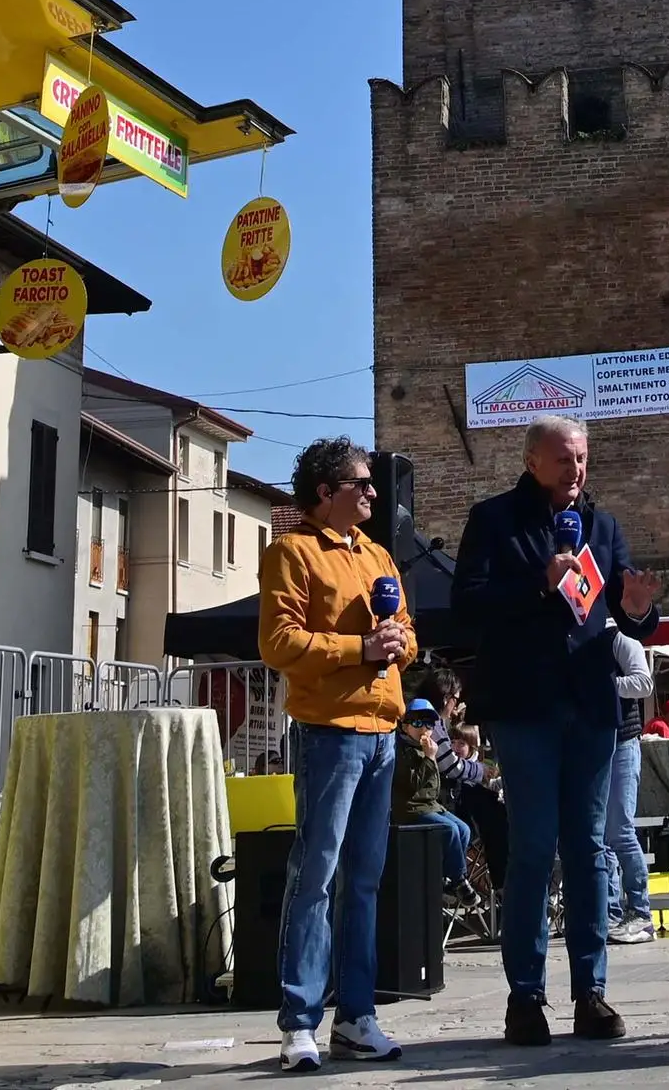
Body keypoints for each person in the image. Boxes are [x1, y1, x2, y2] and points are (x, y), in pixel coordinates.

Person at [450, 416, 663, 1045]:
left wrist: (641, 608)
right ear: (533, 460)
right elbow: (467, 605)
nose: (578, 470)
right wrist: (538, 583)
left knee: (589, 849)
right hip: (525, 708)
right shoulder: (494, 520)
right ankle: (525, 996)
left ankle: (591, 993)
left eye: (584, 459)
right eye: (566, 458)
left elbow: (629, 618)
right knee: (533, 848)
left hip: (592, 706)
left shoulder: (602, 526)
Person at [258, 438, 418, 1069]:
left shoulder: (379, 554)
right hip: (329, 731)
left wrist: (396, 641)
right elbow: (278, 641)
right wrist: (360, 650)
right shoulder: (292, 552)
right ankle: (299, 1021)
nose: (374, 493)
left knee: (366, 880)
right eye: (361, 483)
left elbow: (406, 633)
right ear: (325, 493)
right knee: (316, 873)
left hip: (382, 731)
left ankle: (356, 1017)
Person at [601, 628, 655, 942]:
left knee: (620, 830)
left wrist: (604, 686)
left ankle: (641, 913)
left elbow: (644, 683)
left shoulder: (619, 637)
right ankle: (610, 914)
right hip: (594, 744)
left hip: (622, 743)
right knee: (602, 835)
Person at [394, 708, 478, 897]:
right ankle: (459, 879)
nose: (424, 729)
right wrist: (430, 758)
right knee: (450, 830)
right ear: (405, 726)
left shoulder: (424, 748)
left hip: (430, 805)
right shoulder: (402, 750)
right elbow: (412, 784)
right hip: (410, 808)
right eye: (417, 724)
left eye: (429, 725)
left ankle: (446, 877)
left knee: (463, 829)